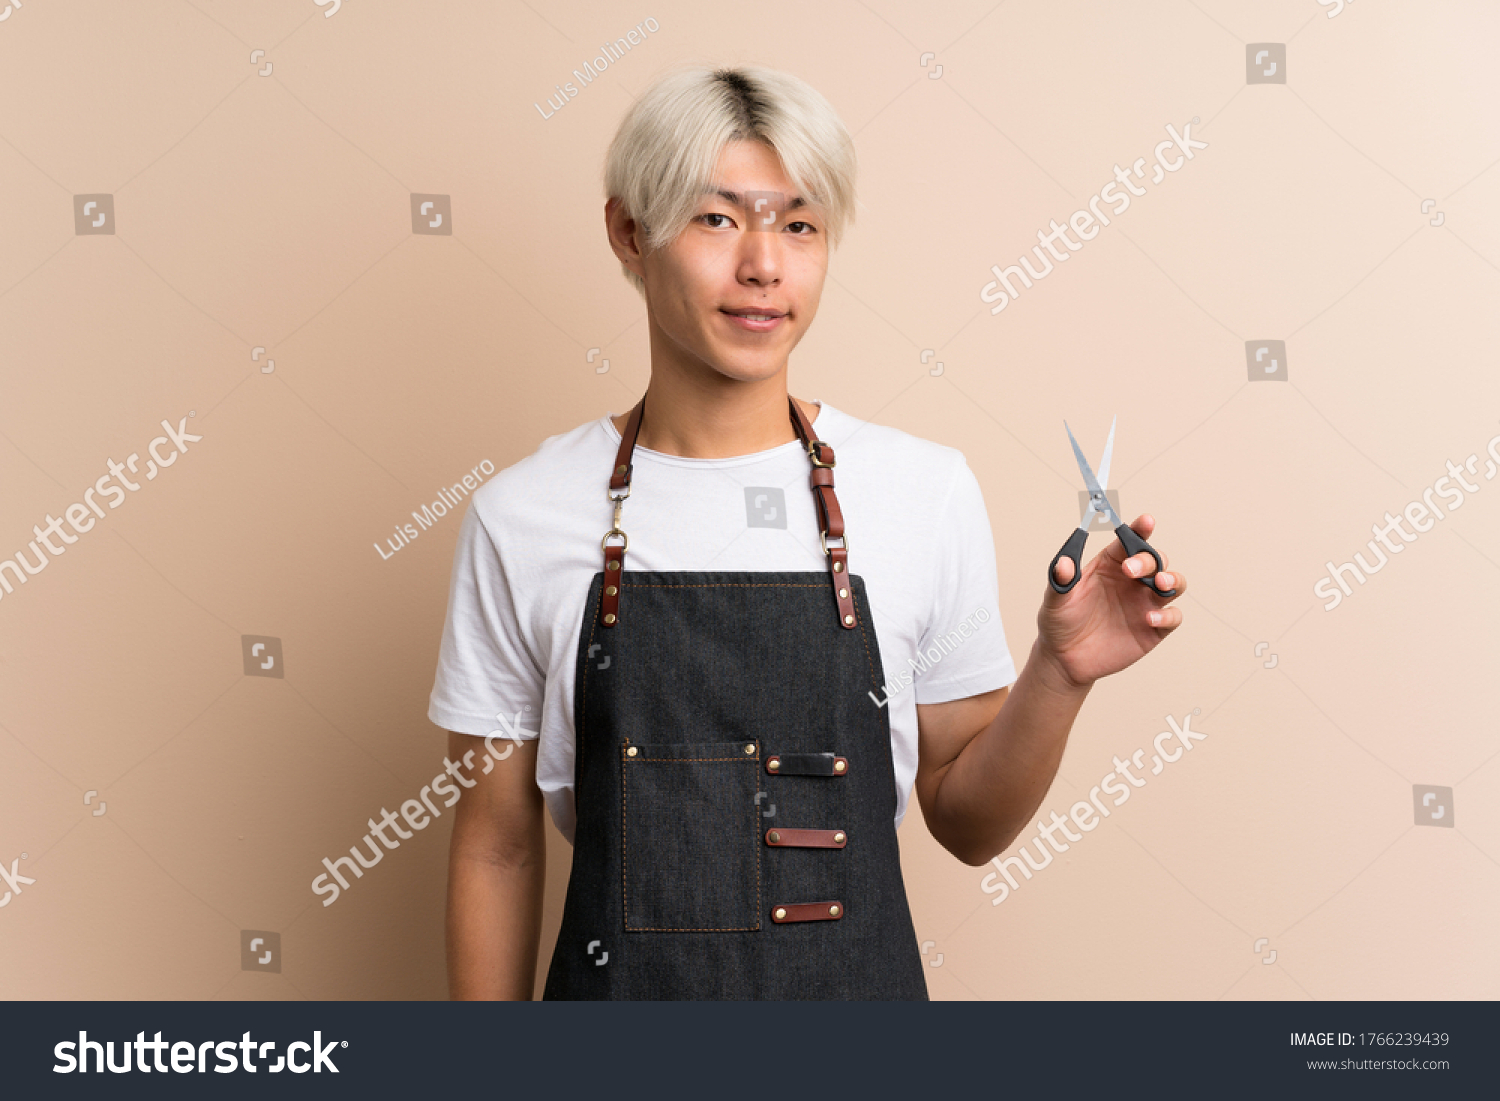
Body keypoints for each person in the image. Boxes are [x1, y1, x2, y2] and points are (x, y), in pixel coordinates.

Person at [429, 64, 1184, 1000]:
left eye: (799, 224)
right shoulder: (522, 515)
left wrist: (1059, 672)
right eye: (717, 219)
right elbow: (497, 848)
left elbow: (969, 823)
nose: (764, 265)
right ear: (630, 229)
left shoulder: (923, 489)